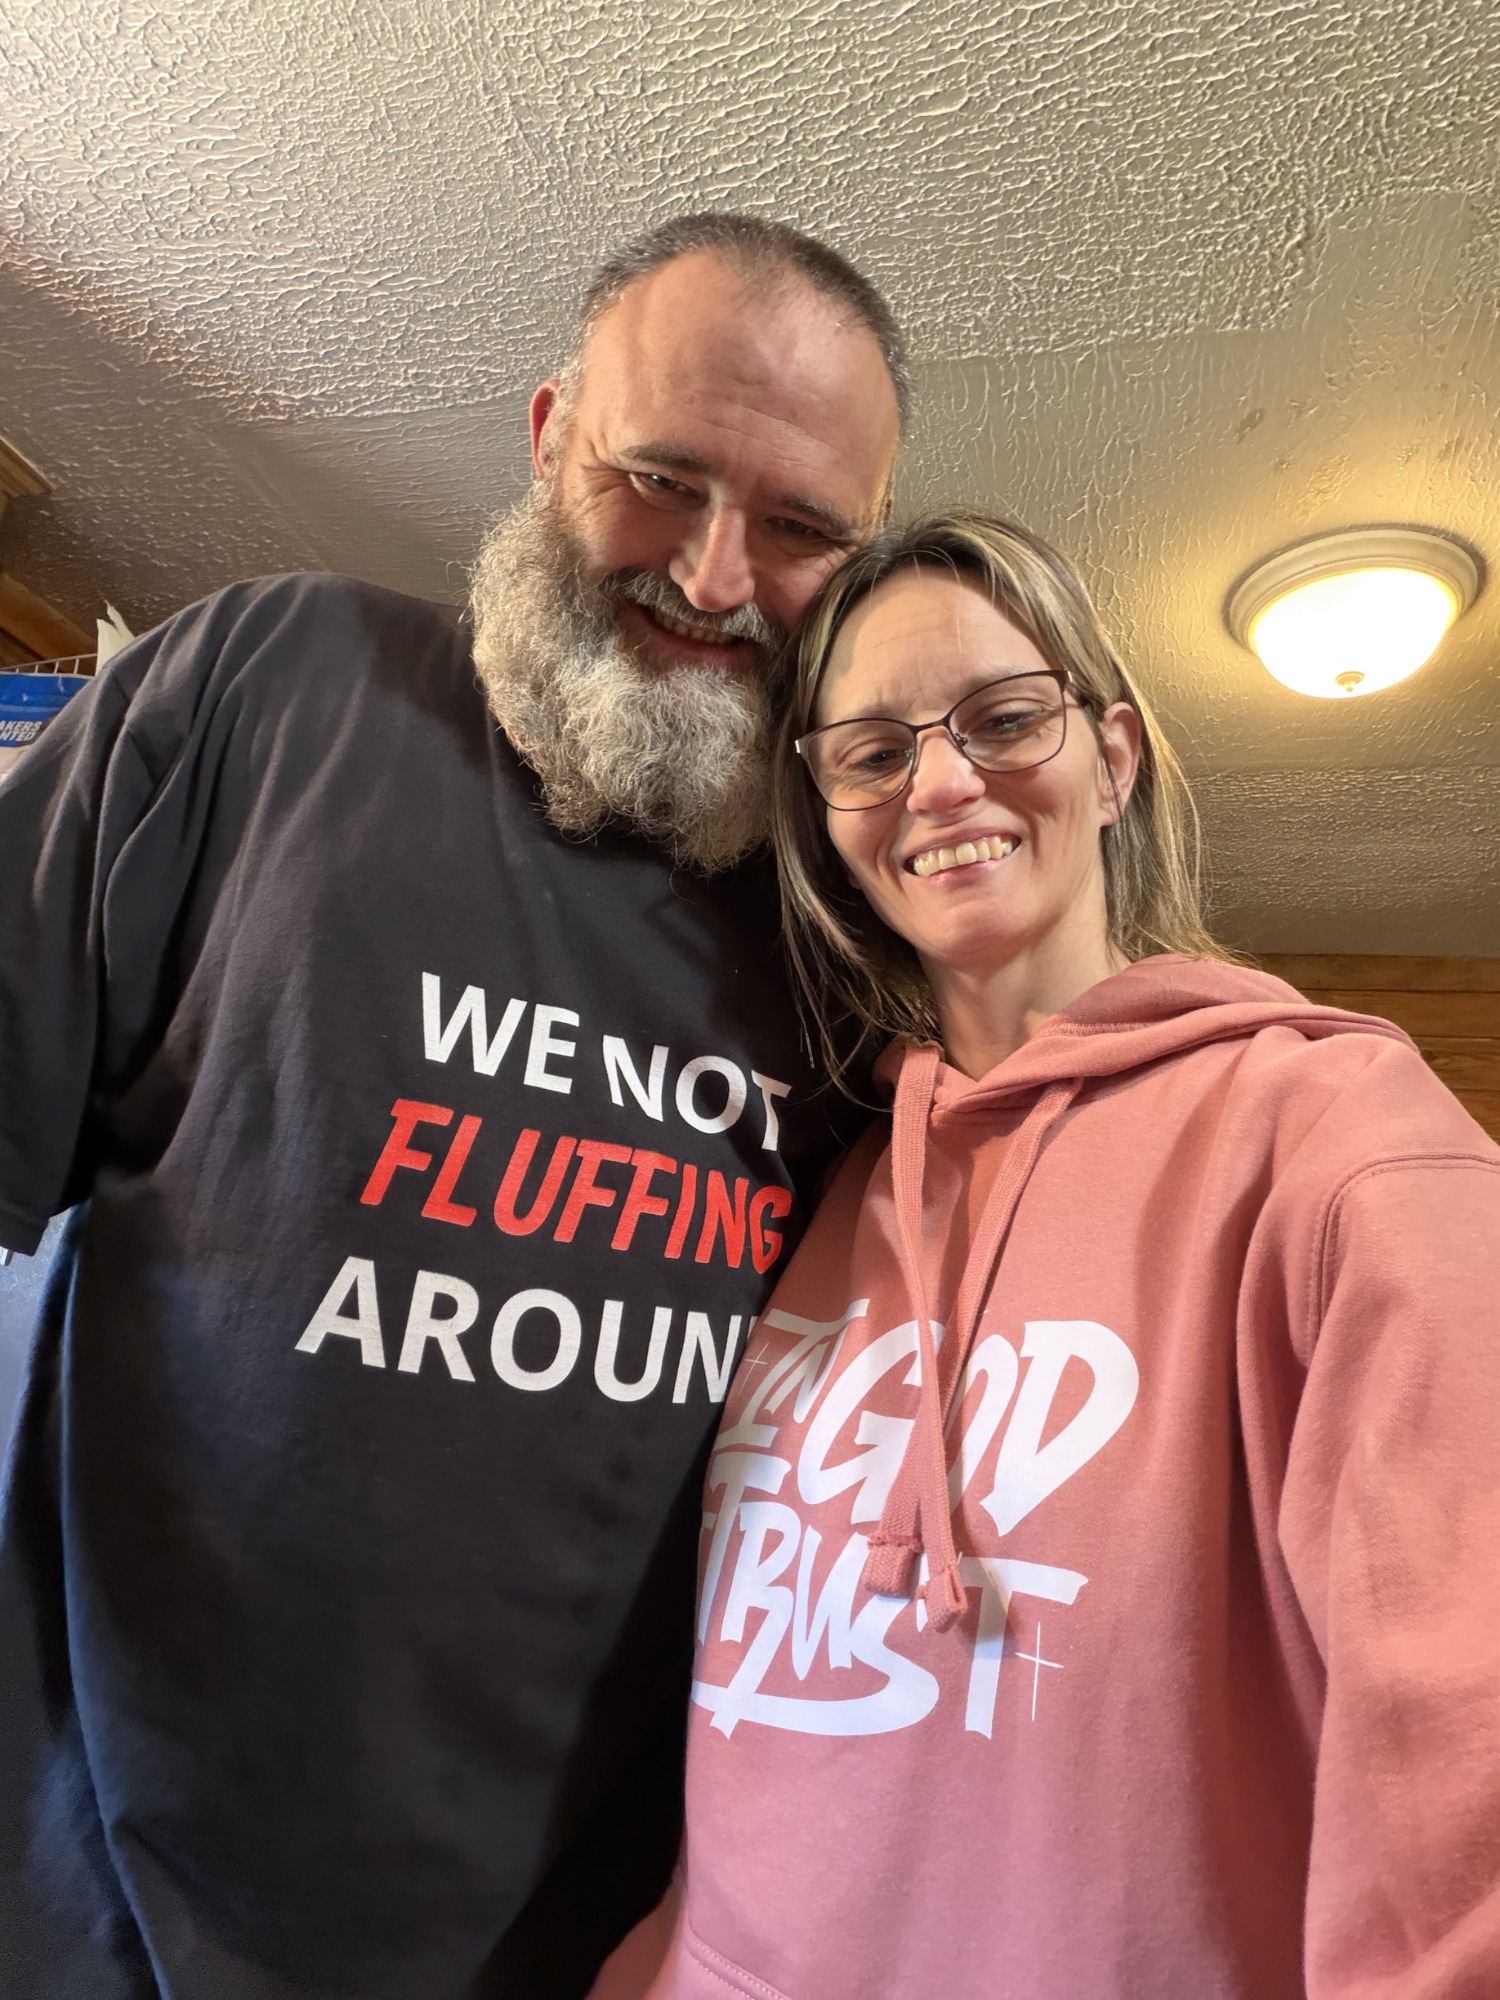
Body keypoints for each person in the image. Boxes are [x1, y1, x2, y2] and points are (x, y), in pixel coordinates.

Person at [0, 214, 905, 1999]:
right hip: (91, 1913)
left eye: (802, 529)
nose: (716, 577)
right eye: (662, 478)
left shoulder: (854, 917)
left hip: (598, 1956)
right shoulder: (269, 685)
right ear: (553, 433)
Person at [648, 513, 1500, 1997]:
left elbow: (1468, 1768)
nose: (941, 783)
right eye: (873, 752)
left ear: (1113, 760)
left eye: (1002, 719)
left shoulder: (1339, 1138)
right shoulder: (836, 1185)